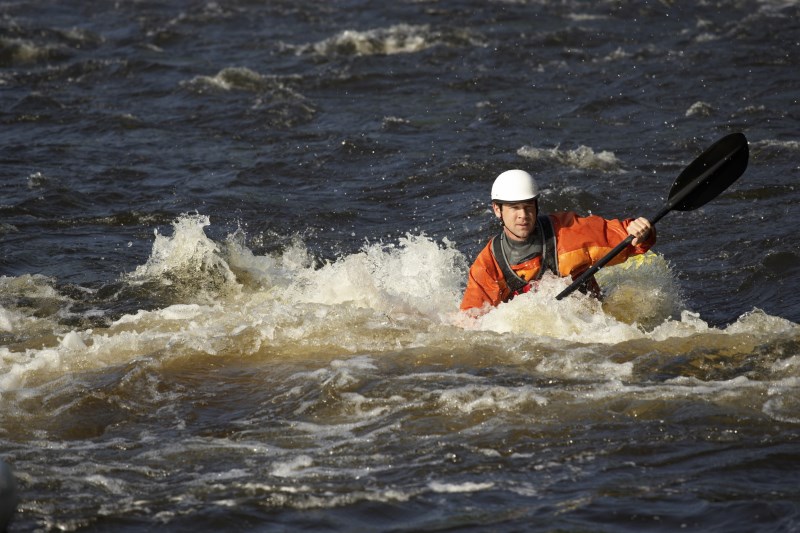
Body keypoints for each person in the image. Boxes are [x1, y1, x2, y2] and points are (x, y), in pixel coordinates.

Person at [460, 169, 655, 312]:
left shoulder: (568, 232)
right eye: (514, 208)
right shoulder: (488, 264)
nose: (523, 215)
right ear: (497, 210)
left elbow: (627, 238)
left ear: (536, 205)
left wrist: (641, 232)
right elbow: (472, 320)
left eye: (528, 206)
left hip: (593, 323)